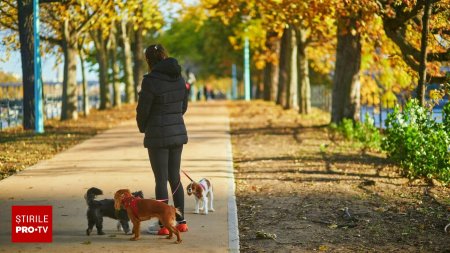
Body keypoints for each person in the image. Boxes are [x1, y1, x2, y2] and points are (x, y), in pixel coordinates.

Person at [136, 44, 189, 235]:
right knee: (175, 178)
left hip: (157, 135)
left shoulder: (150, 81)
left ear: (149, 60)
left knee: (161, 179)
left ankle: (163, 226)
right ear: (165, 56)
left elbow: (143, 110)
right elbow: (183, 106)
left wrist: (144, 127)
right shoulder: (179, 78)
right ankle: (181, 222)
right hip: (177, 133)